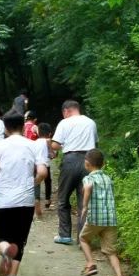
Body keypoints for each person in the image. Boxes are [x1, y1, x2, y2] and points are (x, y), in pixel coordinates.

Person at [0, 112, 48, 276]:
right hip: (25, 201)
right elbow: (43, 172)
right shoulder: (35, 145)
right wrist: (32, 183)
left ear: (5, 127)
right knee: (19, 240)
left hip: (3, 200)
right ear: (23, 126)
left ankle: (5, 249)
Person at [50, 99, 98, 245]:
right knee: (84, 200)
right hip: (88, 161)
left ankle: (64, 235)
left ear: (66, 111)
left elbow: (55, 144)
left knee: (63, 198)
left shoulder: (64, 123)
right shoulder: (91, 122)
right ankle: (83, 238)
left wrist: (58, 144)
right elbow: (95, 144)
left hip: (70, 161)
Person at [79, 149, 127, 276]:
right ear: (103, 164)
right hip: (110, 220)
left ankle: (90, 263)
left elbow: (88, 187)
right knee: (111, 252)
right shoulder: (108, 179)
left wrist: (85, 206)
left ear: (87, 164)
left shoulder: (88, 178)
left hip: (95, 218)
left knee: (83, 238)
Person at [36, 122, 54, 210]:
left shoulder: (35, 142)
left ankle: (36, 199)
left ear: (38, 133)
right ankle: (47, 200)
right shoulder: (48, 141)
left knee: (37, 182)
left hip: (36, 165)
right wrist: (54, 154)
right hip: (45, 165)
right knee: (47, 182)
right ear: (49, 133)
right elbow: (52, 154)